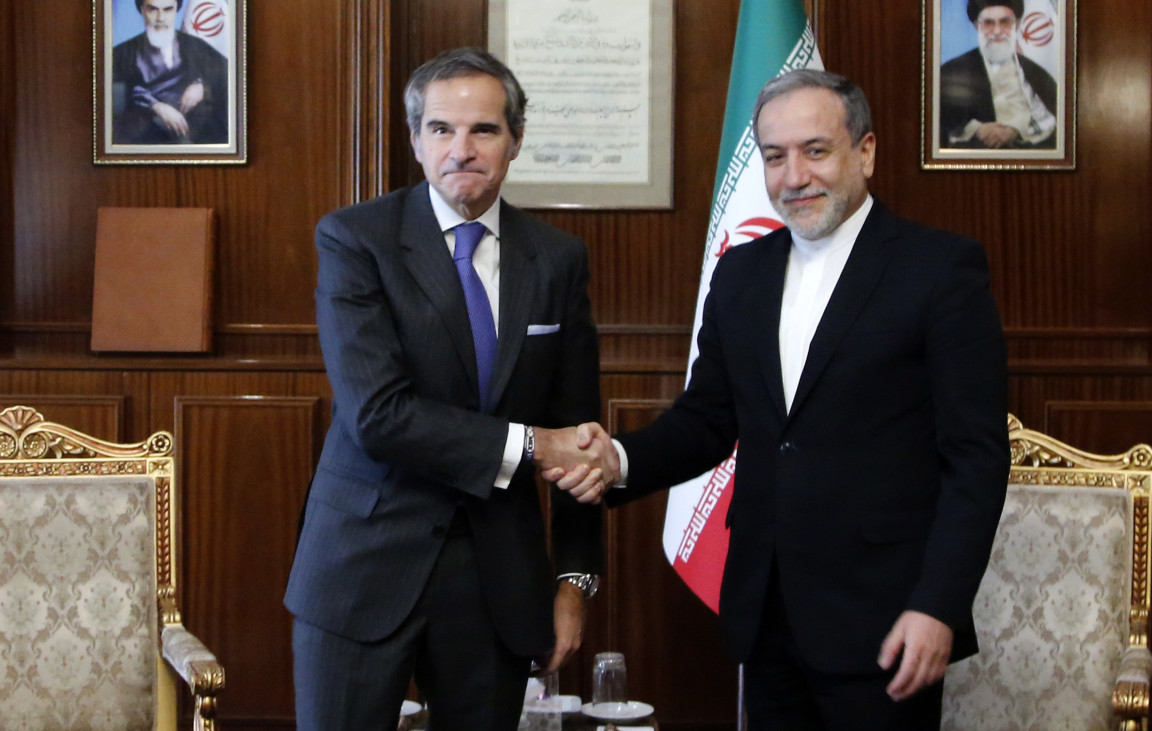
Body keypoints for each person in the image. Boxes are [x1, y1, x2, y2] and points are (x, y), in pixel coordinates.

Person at [550, 69, 1010, 729]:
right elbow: (708, 419)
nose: (793, 176)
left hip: (885, 620)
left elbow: (976, 458)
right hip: (765, 614)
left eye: (815, 150)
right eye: (774, 156)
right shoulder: (741, 272)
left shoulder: (940, 271)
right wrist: (616, 458)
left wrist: (937, 604)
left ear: (867, 152)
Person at [284, 47, 608, 731]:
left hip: (496, 583)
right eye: (441, 129)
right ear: (415, 139)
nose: (461, 149)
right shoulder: (355, 239)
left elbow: (580, 437)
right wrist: (529, 444)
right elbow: (378, 415)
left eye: (484, 130)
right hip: (361, 567)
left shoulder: (556, 258)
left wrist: (574, 583)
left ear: (516, 139)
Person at [938, 0, 1057, 149]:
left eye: (1005, 22)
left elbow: (1055, 121)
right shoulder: (951, 71)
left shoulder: (1036, 74)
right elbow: (938, 120)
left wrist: (1016, 130)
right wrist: (976, 129)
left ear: (1017, 24)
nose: (997, 31)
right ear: (977, 26)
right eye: (989, 23)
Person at [111, 0, 228, 144]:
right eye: (153, 9)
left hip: (196, 138)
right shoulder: (121, 53)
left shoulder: (195, 46)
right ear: (142, 10)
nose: (160, 18)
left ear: (176, 11)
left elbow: (229, 76)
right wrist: (156, 106)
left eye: (167, 10)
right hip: (144, 138)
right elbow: (114, 95)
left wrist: (203, 86)